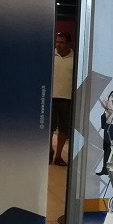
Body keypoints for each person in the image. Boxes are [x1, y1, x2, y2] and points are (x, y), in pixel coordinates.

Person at [51, 32, 73, 166]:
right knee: (49, 128)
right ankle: (49, 150)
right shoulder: (50, 55)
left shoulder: (75, 59)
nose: (58, 44)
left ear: (68, 43)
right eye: (57, 42)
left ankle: (58, 156)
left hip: (68, 99)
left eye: (62, 42)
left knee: (64, 129)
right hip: (51, 98)